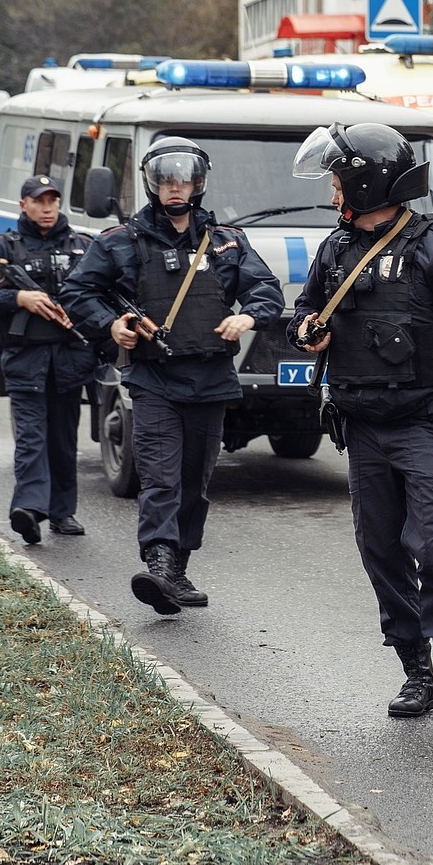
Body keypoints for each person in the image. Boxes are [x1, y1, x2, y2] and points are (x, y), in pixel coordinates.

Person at [287, 122, 433, 725]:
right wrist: (308, 331)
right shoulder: (335, 249)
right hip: (362, 423)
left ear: (368, 182)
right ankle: (415, 672)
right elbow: (306, 309)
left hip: (428, 421)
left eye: (339, 179)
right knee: (380, 549)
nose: (333, 191)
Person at [61, 139, 284, 614]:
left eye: (184, 180)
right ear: (154, 184)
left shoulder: (227, 241)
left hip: (211, 379)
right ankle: (159, 565)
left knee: (193, 482)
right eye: (167, 180)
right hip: (155, 380)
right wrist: (112, 324)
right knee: (160, 478)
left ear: (198, 183)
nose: (176, 188)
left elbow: (266, 288)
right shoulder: (120, 240)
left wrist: (249, 317)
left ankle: (178, 569)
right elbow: (78, 292)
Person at [0, 176, 99, 546]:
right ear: (22, 204)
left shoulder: (83, 247)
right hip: (25, 358)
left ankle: (62, 512)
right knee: (31, 438)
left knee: (62, 438)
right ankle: (28, 510)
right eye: (38, 201)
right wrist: (19, 299)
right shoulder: (2, 248)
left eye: (53, 201)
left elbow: (101, 291)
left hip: (70, 358)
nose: (47, 208)